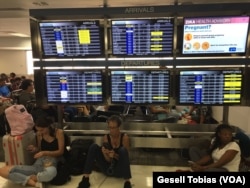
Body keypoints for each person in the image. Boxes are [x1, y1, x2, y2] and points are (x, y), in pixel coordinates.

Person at [0, 116, 66, 187]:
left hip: (52, 161)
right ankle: (34, 183)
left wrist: (44, 153)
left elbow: (60, 152)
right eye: (38, 130)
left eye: (42, 130)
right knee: (4, 171)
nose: (40, 132)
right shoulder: (39, 134)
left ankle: (31, 179)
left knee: (51, 173)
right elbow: (40, 149)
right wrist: (35, 149)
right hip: (39, 162)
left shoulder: (58, 132)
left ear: (48, 126)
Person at [77, 115, 132, 188]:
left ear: (119, 127)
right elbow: (108, 160)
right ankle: (85, 178)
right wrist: (105, 154)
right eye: (110, 127)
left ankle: (127, 182)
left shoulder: (124, 137)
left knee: (123, 150)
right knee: (94, 147)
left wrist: (114, 155)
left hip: (119, 170)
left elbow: (126, 159)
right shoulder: (106, 137)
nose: (111, 130)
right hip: (107, 168)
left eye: (113, 128)